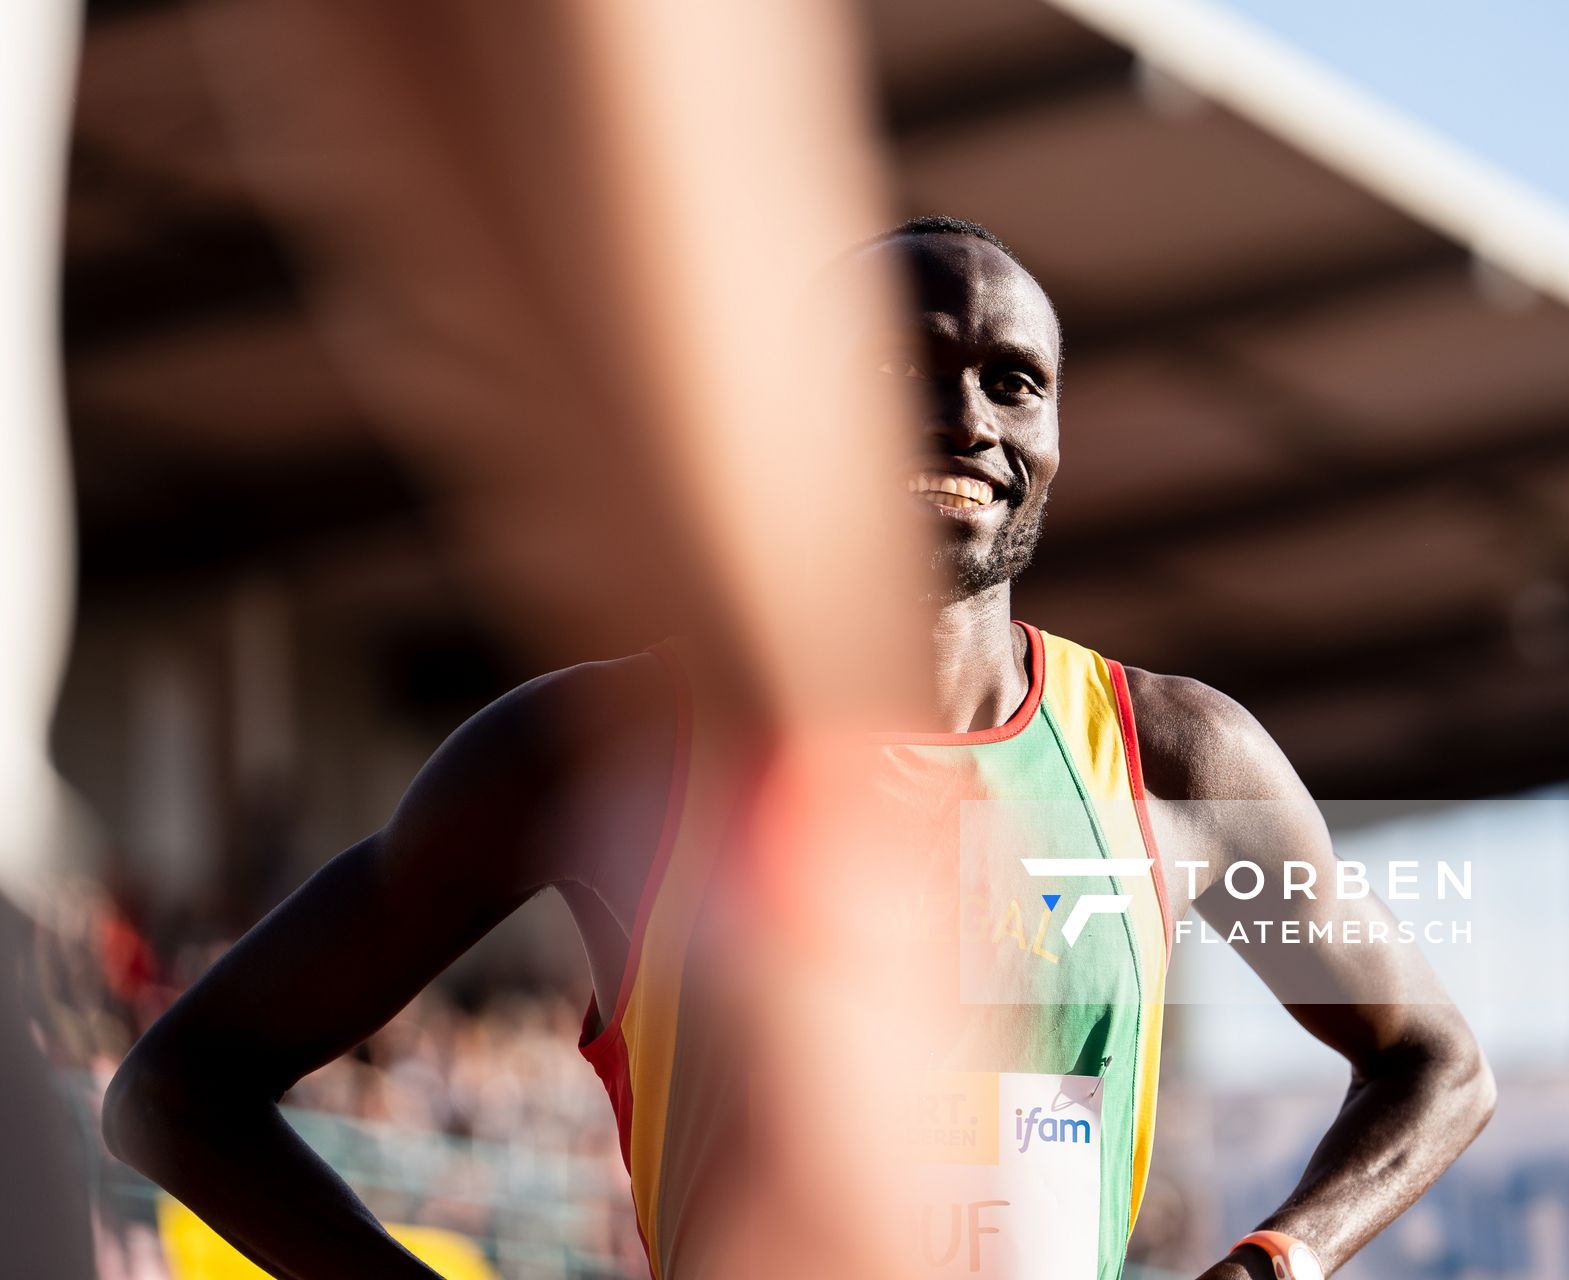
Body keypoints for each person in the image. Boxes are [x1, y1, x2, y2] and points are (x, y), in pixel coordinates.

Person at [105, 217, 1494, 1280]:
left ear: (1058, 431)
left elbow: (1439, 1064)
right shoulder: (605, 751)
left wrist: (1281, 1258)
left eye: (1015, 383)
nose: (968, 419)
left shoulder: (1177, 760)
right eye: (904, 370)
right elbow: (180, 1091)